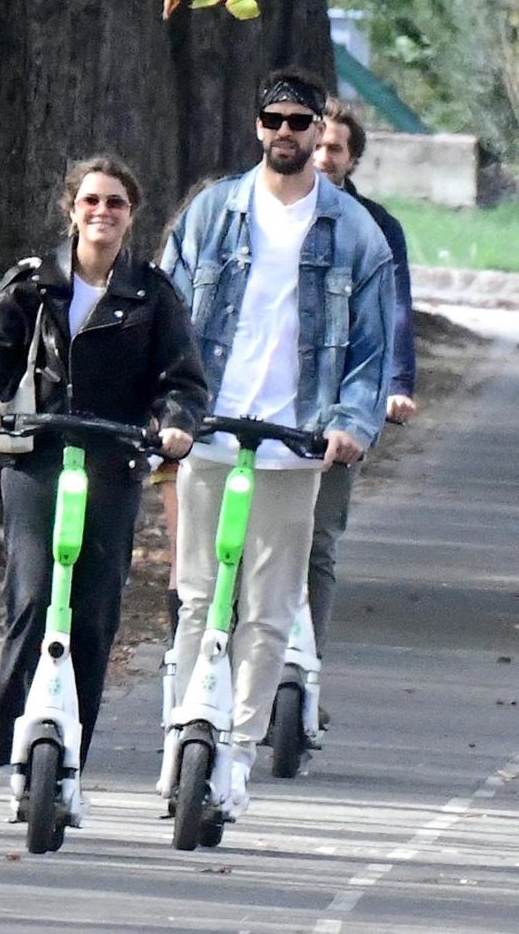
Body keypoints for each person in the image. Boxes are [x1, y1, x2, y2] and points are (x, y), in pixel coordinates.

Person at [161, 65, 395, 811]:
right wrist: (166, 406)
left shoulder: (353, 230)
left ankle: (233, 748)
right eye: (274, 120)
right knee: (198, 598)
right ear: (256, 125)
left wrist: (352, 425)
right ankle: (183, 730)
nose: (286, 134)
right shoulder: (212, 212)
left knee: (267, 605)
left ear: (321, 128)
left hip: (296, 442)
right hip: (209, 429)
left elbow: (370, 345)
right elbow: (167, 313)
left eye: (301, 122)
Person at [0, 154, 208, 771]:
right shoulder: (33, 285)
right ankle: (14, 747)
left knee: (93, 615)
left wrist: (174, 424)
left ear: (131, 216)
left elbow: (183, 381)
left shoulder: (152, 293)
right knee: (35, 598)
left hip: (114, 463)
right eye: (90, 201)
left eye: (115, 203)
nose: (102, 213)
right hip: (39, 459)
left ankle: (71, 756)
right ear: (71, 209)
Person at [310, 98, 417, 669]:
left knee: (319, 543)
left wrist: (396, 383)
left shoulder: (377, 227)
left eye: (335, 148)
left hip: (342, 399)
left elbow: (394, 309)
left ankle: (303, 672)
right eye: (317, 143)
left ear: (351, 161)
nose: (322, 156)